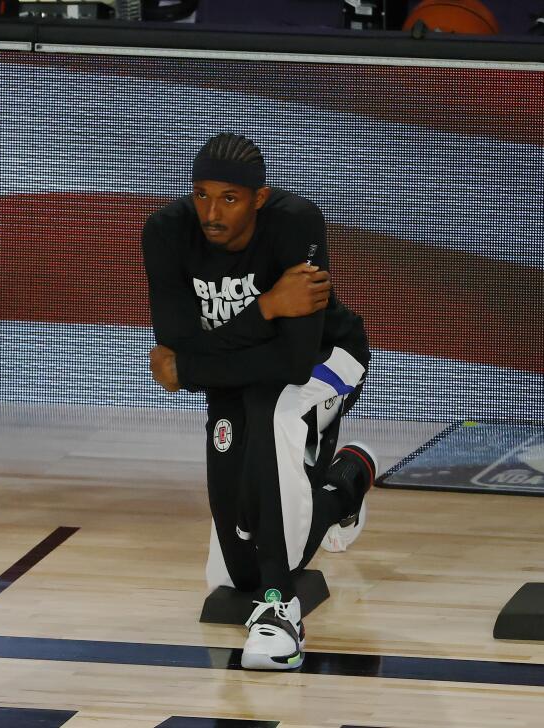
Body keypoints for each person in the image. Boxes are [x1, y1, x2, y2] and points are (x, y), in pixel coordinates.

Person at [142, 133, 378, 670]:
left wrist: (193, 364)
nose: (211, 212)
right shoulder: (165, 231)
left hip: (327, 359)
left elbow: (292, 364)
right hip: (239, 374)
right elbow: (178, 348)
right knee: (235, 570)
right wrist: (268, 306)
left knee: (273, 419)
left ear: (259, 198)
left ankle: (280, 610)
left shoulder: (296, 223)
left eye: (229, 198)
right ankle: (347, 485)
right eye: (201, 195)